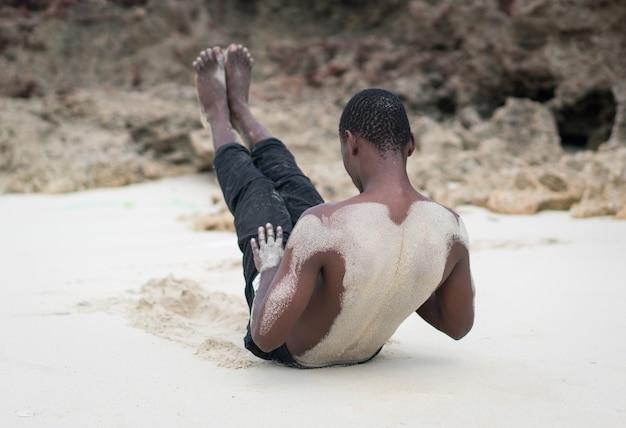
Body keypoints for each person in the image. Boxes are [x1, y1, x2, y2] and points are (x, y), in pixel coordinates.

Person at [192, 44, 475, 368]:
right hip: (365, 348)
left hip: (296, 351)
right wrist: (406, 279)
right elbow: (458, 326)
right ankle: (241, 110)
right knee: (295, 187)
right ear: (410, 143)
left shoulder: (325, 225)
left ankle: (217, 117)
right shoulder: (450, 229)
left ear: (351, 142)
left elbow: (265, 337)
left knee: (254, 191)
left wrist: (270, 268)